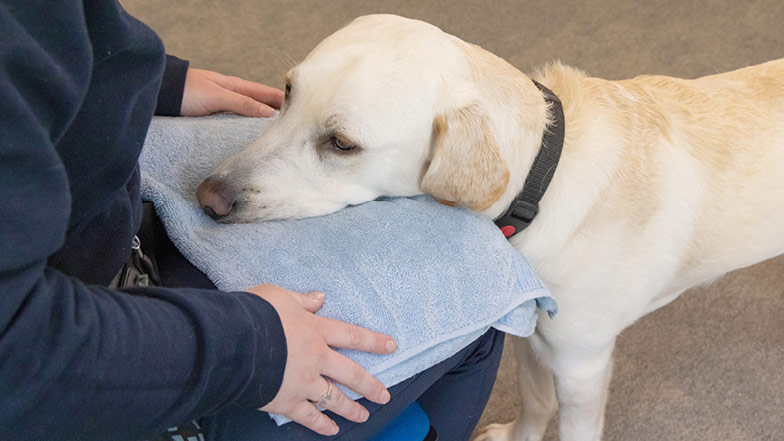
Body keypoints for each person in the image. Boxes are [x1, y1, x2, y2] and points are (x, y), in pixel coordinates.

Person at [0, 1, 506, 441]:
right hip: (79, 376)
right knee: (486, 295)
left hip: (94, 252)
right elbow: (15, 354)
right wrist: (252, 350)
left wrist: (140, 80)